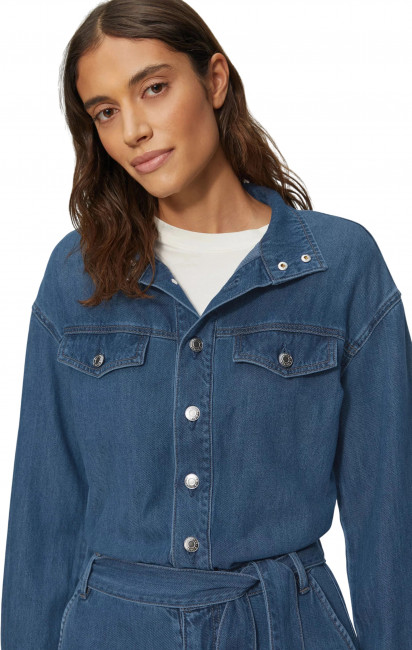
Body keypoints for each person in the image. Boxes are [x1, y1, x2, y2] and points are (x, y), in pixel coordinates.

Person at [1, 0, 411, 648]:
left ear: (214, 80)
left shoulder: (340, 266)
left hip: (285, 628)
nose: (133, 130)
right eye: (105, 111)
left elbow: (389, 518)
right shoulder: (77, 275)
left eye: (153, 88)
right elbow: (43, 517)